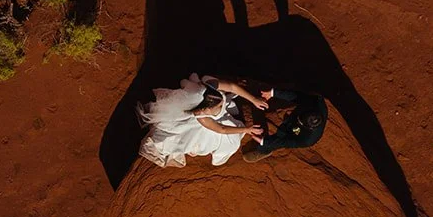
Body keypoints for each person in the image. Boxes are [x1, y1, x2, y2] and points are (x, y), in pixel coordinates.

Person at [137, 74, 272, 168]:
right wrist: (246, 130)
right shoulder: (202, 117)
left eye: (220, 102)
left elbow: (231, 87)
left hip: (215, 118)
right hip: (214, 128)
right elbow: (222, 129)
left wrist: (253, 100)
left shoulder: (208, 85)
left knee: (230, 105)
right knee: (201, 138)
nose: (221, 104)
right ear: (206, 110)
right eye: (218, 106)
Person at [242, 89, 327, 162]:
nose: (298, 120)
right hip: (298, 118)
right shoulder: (315, 102)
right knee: (289, 122)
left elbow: (284, 142)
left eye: (300, 122)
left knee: (282, 135)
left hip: (295, 132)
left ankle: (264, 150)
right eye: (299, 118)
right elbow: (296, 97)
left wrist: (263, 142)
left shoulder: (306, 140)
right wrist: (273, 93)